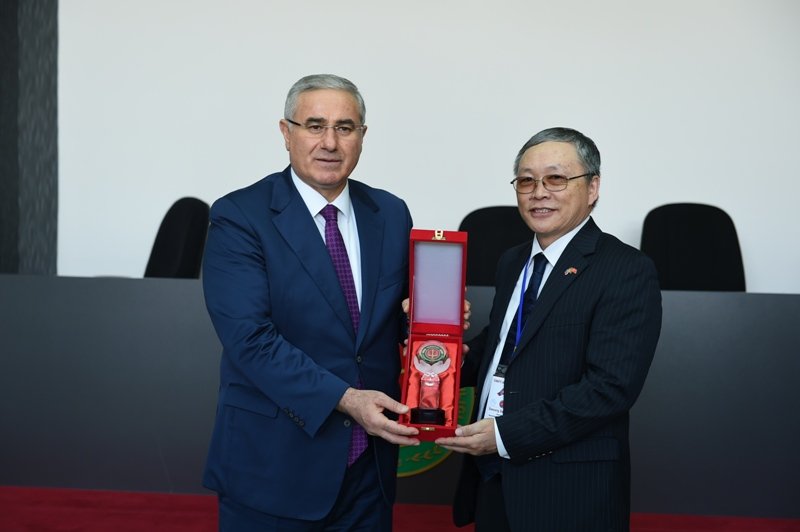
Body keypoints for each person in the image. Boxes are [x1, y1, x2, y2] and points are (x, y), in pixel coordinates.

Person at [201, 73, 420, 531]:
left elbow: (382, 324)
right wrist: (346, 399)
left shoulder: (391, 212)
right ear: (287, 133)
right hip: (274, 465)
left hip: (370, 473)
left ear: (362, 136)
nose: (330, 143)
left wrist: (429, 326)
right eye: (315, 126)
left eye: (345, 127)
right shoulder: (240, 215)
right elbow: (250, 340)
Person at [436, 127, 663, 532]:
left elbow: (609, 388)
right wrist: (444, 353)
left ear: (592, 187)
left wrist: (504, 435)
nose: (538, 193)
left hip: (567, 489)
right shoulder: (512, 261)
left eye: (556, 178)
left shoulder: (625, 269)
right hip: (492, 476)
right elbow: (505, 345)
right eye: (526, 181)